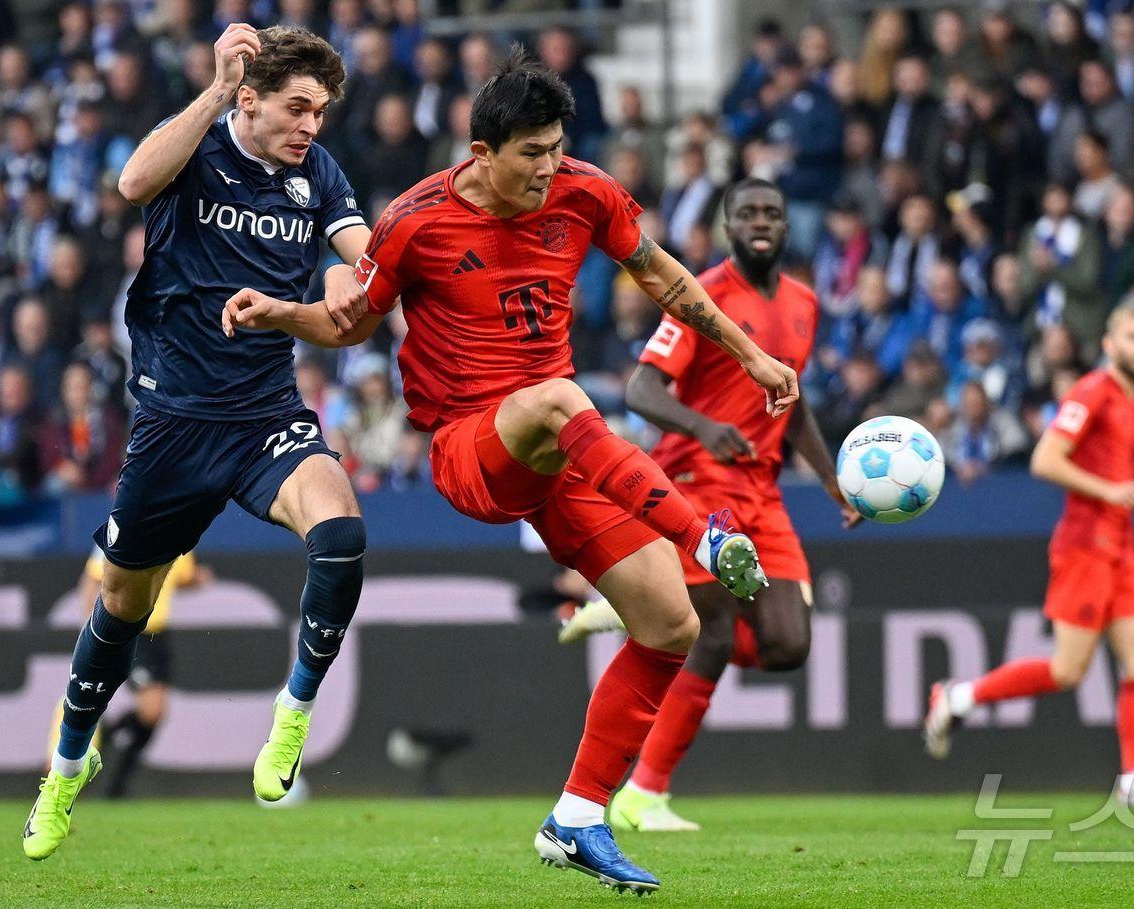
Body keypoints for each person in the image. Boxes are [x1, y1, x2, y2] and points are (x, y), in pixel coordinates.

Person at [220, 49, 799, 895]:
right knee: (560, 396)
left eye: (558, 147)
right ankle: (704, 535)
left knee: (670, 626)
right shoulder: (414, 221)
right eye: (533, 153)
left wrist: (750, 354)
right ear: (483, 154)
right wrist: (282, 313)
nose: (550, 168)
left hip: (563, 460)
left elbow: (660, 273)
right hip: (471, 449)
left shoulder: (585, 192)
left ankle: (577, 818)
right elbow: (350, 326)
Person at [24, 24, 373, 860]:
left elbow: (356, 301)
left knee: (344, 533)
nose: (311, 127)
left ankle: (291, 714)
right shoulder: (201, 145)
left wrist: (328, 291)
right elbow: (131, 178)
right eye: (298, 107)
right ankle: (67, 765)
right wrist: (215, 89)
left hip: (264, 416)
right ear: (250, 97)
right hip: (173, 421)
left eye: (321, 112)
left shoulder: (319, 176)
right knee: (123, 605)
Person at [561, 179, 859, 833]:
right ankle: (644, 792)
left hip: (764, 490)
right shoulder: (704, 299)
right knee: (714, 632)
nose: (761, 221)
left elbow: (794, 399)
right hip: (699, 479)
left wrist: (831, 476)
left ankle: (638, 607)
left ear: (787, 226)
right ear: (727, 227)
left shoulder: (806, 304)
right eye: (747, 212)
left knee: (787, 644)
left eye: (772, 213)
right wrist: (701, 427)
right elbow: (642, 388)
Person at [924, 302, 1134, 810]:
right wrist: (1110, 494)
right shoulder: (1093, 391)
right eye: (1133, 337)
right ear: (1110, 343)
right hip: (1085, 545)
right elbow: (1045, 459)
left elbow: (1119, 483)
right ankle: (957, 697)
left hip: (1122, 546)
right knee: (1069, 670)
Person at [45, 550, 211, 798]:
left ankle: (115, 766)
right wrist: (92, 629)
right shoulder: (128, 525)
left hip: (159, 634)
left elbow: (176, 577)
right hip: (132, 632)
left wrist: (196, 579)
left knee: (155, 715)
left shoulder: (183, 532)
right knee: (150, 709)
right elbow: (92, 578)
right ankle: (110, 764)